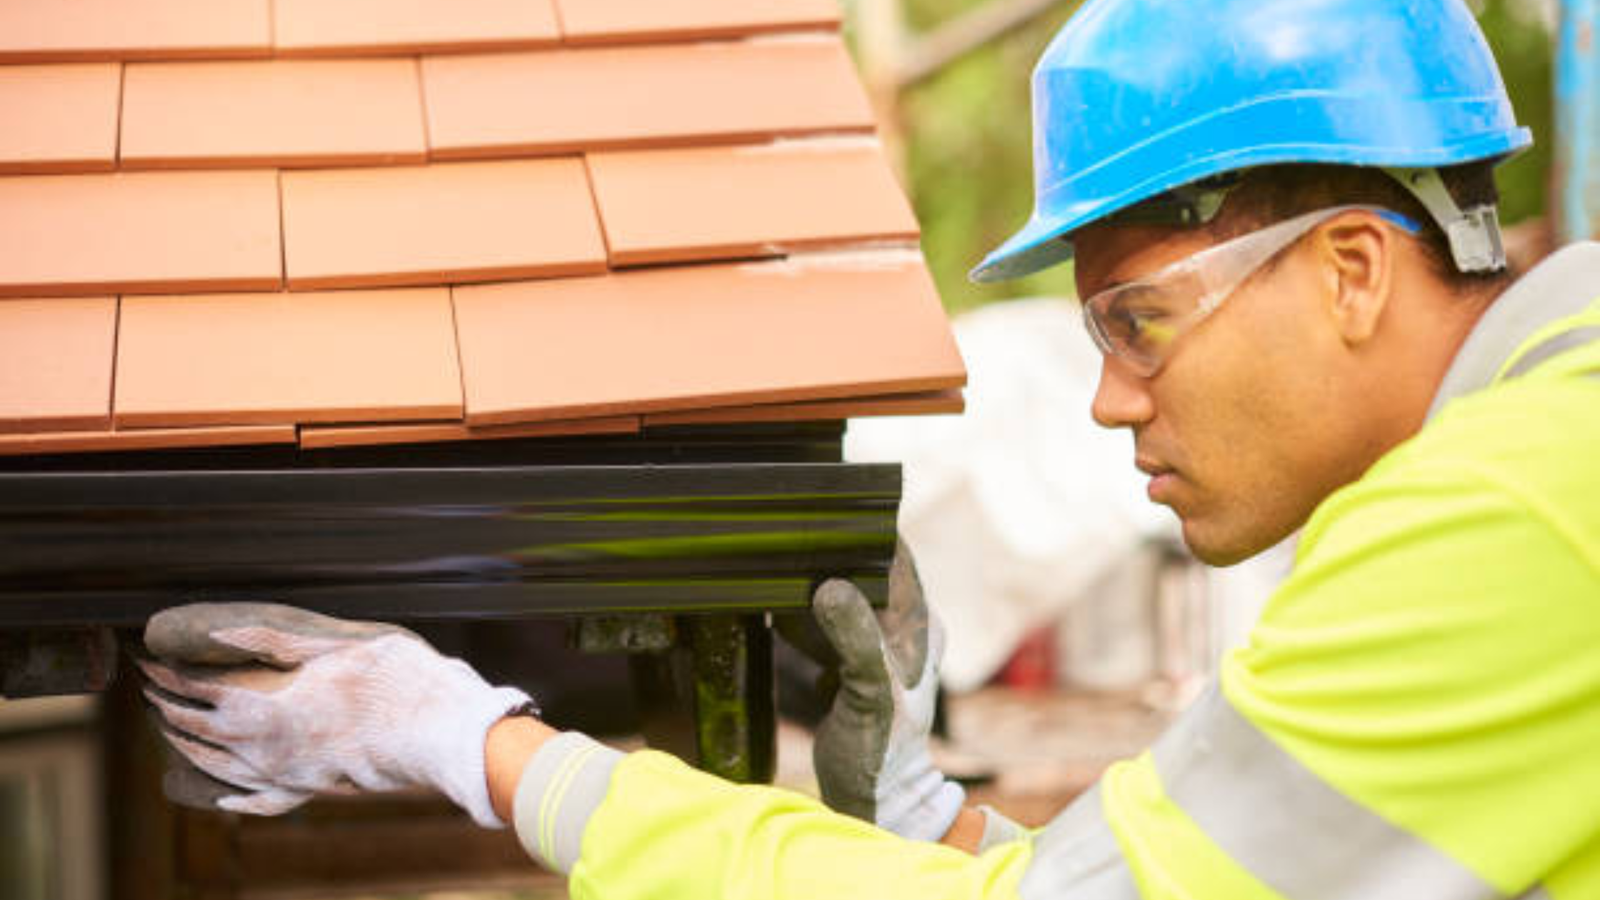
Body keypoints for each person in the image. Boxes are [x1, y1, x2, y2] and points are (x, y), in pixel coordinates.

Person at [137, 0, 1600, 897]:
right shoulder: (1546, 454)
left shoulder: (1510, 520)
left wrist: (475, 745)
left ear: (1352, 269)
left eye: (1141, 322)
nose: (1109, 400)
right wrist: (927, 817)